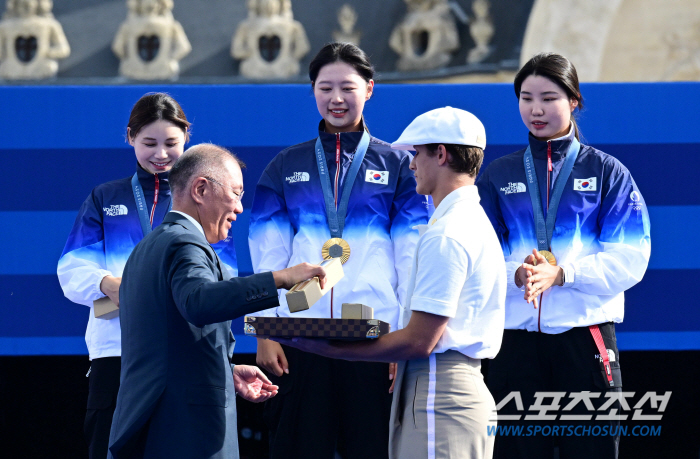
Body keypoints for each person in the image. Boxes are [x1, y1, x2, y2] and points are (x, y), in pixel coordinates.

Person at [273, 106, 506, 459]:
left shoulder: (448, 233)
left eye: (416, 153)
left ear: (441, 154)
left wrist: (329, 349)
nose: (411, 164)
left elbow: (418, 341)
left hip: (439, 393)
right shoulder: (465, 222)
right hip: (443, 389)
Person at [248, 42, 431, 459]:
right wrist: (265, 329)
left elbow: (411, 256)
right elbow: (268, 256)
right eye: (324, 87)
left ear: (369, 89)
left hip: (373, 337)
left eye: (347, 87)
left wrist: (403, 337)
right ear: (312, 90)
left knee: (372, 448)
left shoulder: (400, 164)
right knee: (297, 448)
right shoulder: (284, 165)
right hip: (300, 337)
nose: (335, 99)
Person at [475, 53, 651, 459]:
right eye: (526, 97)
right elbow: (477, 255)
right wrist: (514, 274)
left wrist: (564, 275)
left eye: (549, 98)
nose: (536, 109)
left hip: (584, 338)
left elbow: (631, 256)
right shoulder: (498, 174)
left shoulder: (608, 172)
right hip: (514, 342)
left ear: (573, 100)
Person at [107, 144, 328, 459]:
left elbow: (165, 343)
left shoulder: (146, 249)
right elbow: (198, 302)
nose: (240, 208)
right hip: (188, 432)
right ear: (200, 189)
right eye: (236, 193)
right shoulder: (185, 243)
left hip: (151, 426)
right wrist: (279, 278)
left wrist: (226, 371)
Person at [57, 93, 237, 459]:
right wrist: (109, 285)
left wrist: (173, 290)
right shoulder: (106, 197)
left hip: (185, 355)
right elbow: (71, 268)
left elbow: (225, 274)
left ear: (187, 137)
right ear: (130, 138)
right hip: (116, 353)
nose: (161, 154)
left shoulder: (204, 197)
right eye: (148, 143)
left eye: (171, 143)